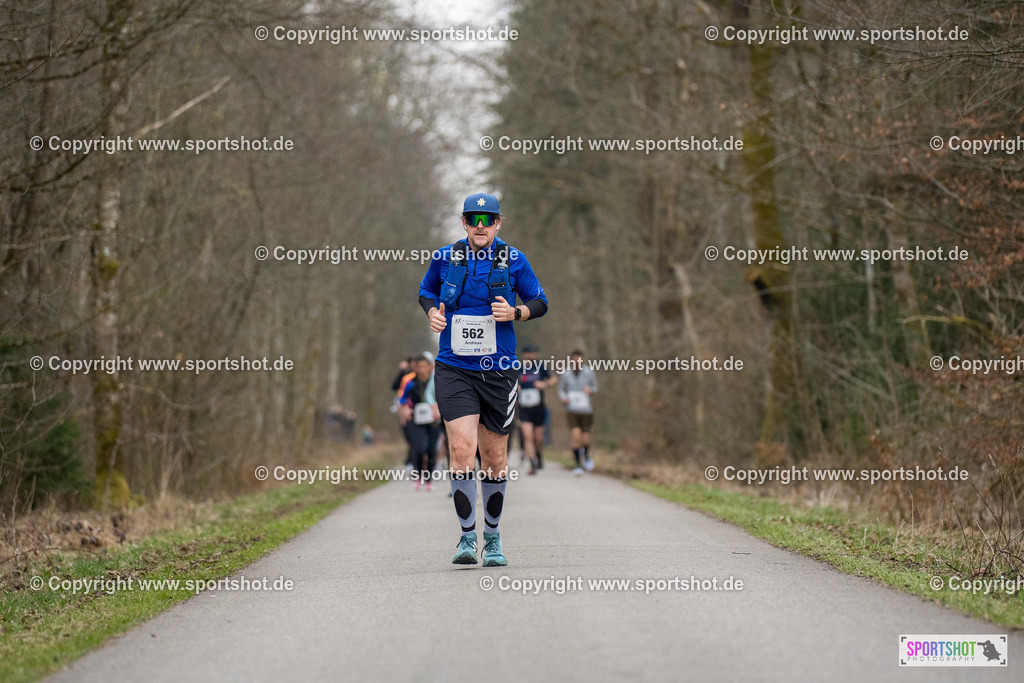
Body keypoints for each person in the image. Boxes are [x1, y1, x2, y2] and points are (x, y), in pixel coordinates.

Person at [419, 192, 548, 566]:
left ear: (498, 223)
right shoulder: (444, 257)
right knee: (461, 450)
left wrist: (517, 312)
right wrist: (432, 313)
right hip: (454, 368)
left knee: (494, 458)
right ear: (463, 223)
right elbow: (426, 291)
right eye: (472, 219)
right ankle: (465, 538)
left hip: (499, 372)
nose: (480, 226)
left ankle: (492, 538)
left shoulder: (514, 259)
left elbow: (540, 301)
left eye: (487, 219)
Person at [399, 353, 441, 491]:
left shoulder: (437, 381)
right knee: (418, 448)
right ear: (415, 368)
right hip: (417, 420)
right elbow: (402, 399)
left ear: (430, 367)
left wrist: (438, 409)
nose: (422, 369)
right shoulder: (410, 383)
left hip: (434, 420)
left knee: (430, 449)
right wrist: (405, 408)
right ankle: (418, 477)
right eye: (419, 367)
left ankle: (429, 480)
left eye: (425, 366)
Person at [558, 348, 597, 475]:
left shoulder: (589, 372)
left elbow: (595, 387)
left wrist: (590, 390)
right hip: (572, 409)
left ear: (582, 359)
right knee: (576, 436)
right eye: (574, 359)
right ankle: (578, 465)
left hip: (586, 409)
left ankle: (586, 454)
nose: (576, 361)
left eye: (578, 359)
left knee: (585, 438)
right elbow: (561, 389)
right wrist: (564, 398)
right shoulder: (566, 373)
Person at [518, 344, 555, 474]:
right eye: (531, 353)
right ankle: (532, 462)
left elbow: (553, 379)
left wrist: (544, 384)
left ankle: (539, 456)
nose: (533, 355)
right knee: (528, 436)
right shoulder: (518, 368)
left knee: (539, 438)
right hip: (524, 408)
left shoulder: (540, 366)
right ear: (525, 354)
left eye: (535, 353)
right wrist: (516, 387)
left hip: (539, 407)